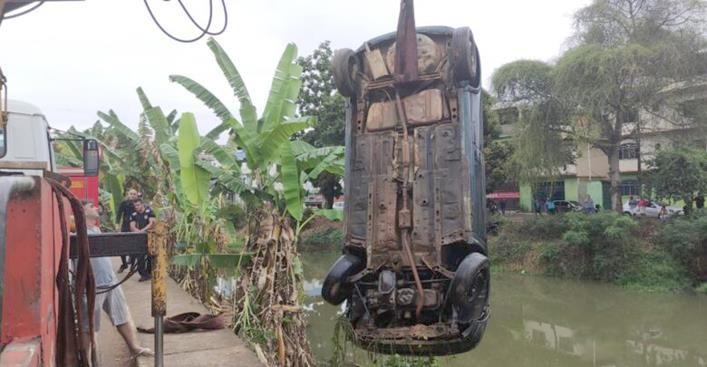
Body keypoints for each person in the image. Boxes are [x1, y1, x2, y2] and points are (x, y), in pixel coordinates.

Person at [82, 200, 153, 360]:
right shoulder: (79, 231)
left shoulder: (97, 229)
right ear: (82, 210)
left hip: (111, 281)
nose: (96, 207)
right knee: (89, 326)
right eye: (91, 206)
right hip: (93, 285)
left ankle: (134, 348)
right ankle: (86, 360)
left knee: (122, 317)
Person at [130, 198, 156, 282]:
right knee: (140, 257)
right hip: (139, 238)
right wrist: (138, 232)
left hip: (150, 237)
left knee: (150, 256)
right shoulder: (134, 214)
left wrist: (143, 230)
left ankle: (149, 273)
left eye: (138, 205)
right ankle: (143, 275)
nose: (137, 207)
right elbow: (132, 226)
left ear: (142, 204)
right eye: (135, 206)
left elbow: (152, 223)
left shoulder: (149, 212)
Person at [116, 189, 138, 273]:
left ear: (137, 195)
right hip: (125, 227)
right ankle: (124, 264)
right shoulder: (124, 203)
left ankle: (132, 266)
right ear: (128, 194)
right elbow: (119, 214)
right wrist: (117, 224)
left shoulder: (138, 204)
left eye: (134, 194)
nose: (132, 195)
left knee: (133, 247)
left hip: (135, 227)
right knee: (122, 247)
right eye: (131, 194)